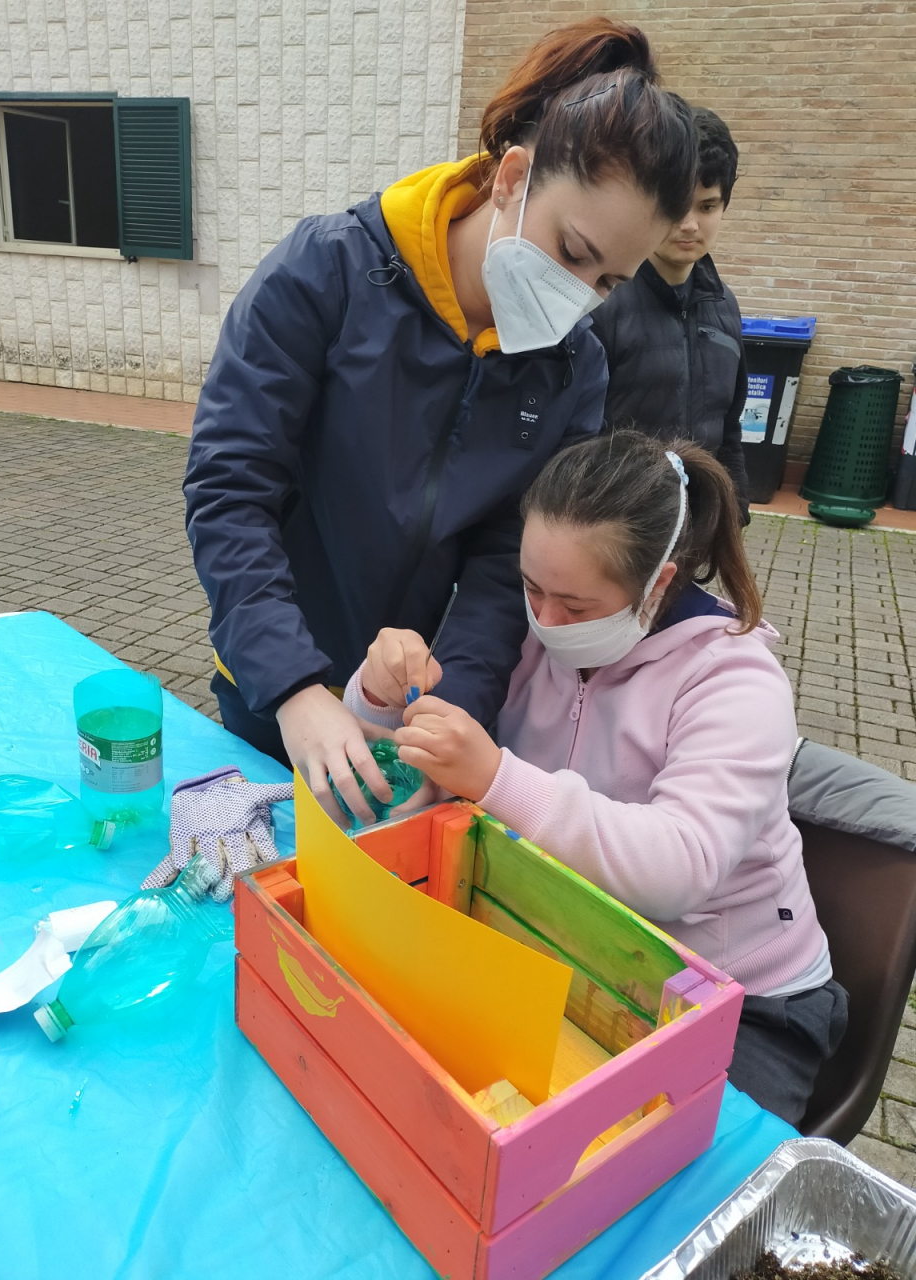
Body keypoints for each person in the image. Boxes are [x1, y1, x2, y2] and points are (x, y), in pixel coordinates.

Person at [183, 17, 697, 825]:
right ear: (512, 178)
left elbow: (506, 564)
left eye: (606, 282)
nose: (577, 294)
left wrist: (451, 719)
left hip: (410, 697)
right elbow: (231, 489)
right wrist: (293, 687)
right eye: (571, 252)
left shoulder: (573, 368)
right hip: (273, 679)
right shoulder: (330, 270)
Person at [346, 430, 847, 1124]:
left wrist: (495, 777)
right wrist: (377, 694)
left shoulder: (734, 681)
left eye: (576, 607)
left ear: (658, 584)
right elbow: (408, 766)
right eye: (531, 588)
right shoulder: (522, 637)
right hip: (571, 955)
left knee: (663, 1173)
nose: (546, 621)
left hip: (740, 997)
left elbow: (679, 867)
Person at [590, 107, 751, 519]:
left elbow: (730, 429)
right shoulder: (600, 300)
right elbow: (574, 438)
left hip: (697, 528)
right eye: (677, 205)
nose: (690, 224)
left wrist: (734, 517)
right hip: (618, 529)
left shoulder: (725, 307)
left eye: (708, 207)